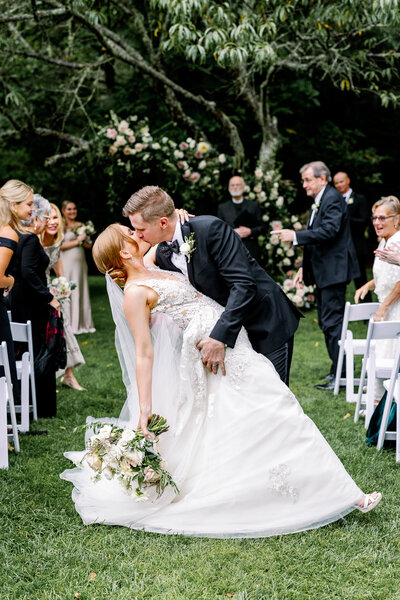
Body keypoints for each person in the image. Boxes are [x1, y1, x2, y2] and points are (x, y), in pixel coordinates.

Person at [60, 223, 382, 537]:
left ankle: (329, 489)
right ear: (123, 253)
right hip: (211, 360)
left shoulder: (150, 264)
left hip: (232, 344)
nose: (138, 234)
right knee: (277, 408)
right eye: (130, 234)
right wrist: (145, 409)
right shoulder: (134, 293)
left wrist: (180, 219)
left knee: (271, 410)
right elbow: (143, 354)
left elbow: (173, 231)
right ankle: (345, 493)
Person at [122, 186, 302, 386]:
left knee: (274, 394)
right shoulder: (163, 252)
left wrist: (219, 338)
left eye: (141, 229)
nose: (138, 235)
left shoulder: (210, 229)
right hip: (234, 331)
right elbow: (138, 272)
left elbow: (243, 285)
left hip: (265, 321)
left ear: (163, 222)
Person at [274, 161, 359, 390]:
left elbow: (329, 232)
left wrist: (295, 235)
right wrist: (304, 267)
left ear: (322, 179)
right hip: (325, 271)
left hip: (334, 272)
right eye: (303, 180)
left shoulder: (332, 199)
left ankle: (341, 375)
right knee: (328, 322)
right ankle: (337, 371)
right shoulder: (322, 200)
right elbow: (317, 238)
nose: (304, 185)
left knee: (332, 323)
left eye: (307, 180)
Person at [6, 183, 60, 418]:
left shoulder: (14, 235)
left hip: (19, 299)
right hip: (29, 302)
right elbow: (28, 272)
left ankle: (29, 402)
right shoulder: (28, 239)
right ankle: (41, 406)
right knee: (38, 348)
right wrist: (49, 297)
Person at [355, 196, 400, 397]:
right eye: (374, 218)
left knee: (390, 354)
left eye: (383, 218)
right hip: (386, 306)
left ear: (396, 219)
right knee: (382, 352)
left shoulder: (397, 243)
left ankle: (386, 402)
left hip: (395, 308)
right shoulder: (385, 242)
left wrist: (384, 307)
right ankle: (380, 400)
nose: (377, 222)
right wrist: (368, 285)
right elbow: (385, 274)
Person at [41, 201, 86, 391]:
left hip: (50, 288)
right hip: (37, 291)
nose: (53, 222)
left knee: (63, 327)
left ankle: (69, 375)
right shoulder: (33, 239)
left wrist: (63, 284)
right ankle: (46, 375)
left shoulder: (55, 239)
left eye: (55, 218)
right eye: (49, 217)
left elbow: (57, 261)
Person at [333, 171, 372, 301]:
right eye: (336, 183)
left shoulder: (360, 199)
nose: (339, 185)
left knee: (361, 281)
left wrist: (345, 219)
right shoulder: (333, 201)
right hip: (339, 249)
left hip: (356, 247)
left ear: (348, 180)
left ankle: (367, 314)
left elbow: (364, 221)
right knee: (338, 283)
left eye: (341, 181)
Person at [60, 200, 95, 335]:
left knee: (80, 289)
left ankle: (82, 322)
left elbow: (87, 246)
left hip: (80, 262)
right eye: (69, 209)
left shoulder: (81, 225)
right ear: (63, 211)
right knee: (68, 289)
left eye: (74, 209)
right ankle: (69, 324)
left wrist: (86, 239)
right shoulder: (60, 225)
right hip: (66, 262)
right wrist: (77, 240)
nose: (72, 211)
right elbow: (60, 246)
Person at [217, 175, 265, 262]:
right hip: (230, 252)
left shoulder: (253, 205)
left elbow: (262, 227)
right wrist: (232, 232)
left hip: (251, 251)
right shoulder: (222, 208)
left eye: (238, 185)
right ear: (228, 188)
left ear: (243, 187)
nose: (235, 187)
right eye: (232, 185)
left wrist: (250, 231)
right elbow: (219, 231)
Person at [0, 188, 19, 397]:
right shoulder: (7, 232)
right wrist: (10, 280)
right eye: (29, 204)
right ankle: (6, 425)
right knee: (3, 365)